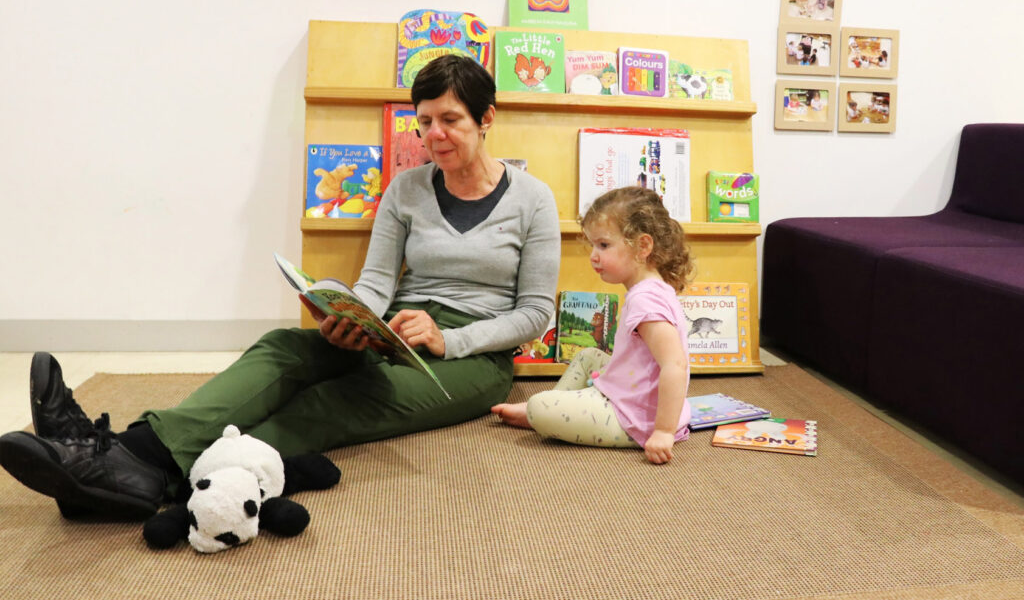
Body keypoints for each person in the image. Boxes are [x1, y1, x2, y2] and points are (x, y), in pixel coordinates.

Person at [0, 54, 561, 520]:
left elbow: (536, 312)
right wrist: (348, 318)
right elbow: (377, 283)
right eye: (424, 121)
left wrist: (450, 340)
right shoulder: (407, 188)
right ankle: (125, 456)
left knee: (337, 401)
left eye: (451, 120)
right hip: (397, 331)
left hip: (472, 355)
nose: (434, 135)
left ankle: (133, 470)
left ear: (487, 118)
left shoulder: (533, 199)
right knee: (284, 348)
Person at [491, 186, 693, 465]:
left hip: (636, 420)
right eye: (593, 245)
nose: (593, 256)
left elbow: (675, 366)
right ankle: (566, 404)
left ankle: (547, 412)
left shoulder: (646, 301)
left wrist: (662, 431)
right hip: (634, 397)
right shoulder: (650, 289)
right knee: (588, 356)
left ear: (642, 246)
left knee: (539, 406)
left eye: (604, 245)